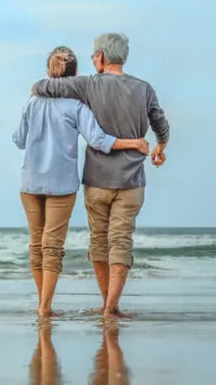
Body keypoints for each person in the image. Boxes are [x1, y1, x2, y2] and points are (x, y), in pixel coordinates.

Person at [31, 33, 170, 320]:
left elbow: (43, 86)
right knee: (121, 241)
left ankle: (106, 302)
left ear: (102, 57)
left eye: (95, 55)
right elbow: (160, 122)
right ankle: (111, 308)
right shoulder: (144, 88)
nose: (94, 59)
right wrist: (160, 147)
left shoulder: (88, 85)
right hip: (132, 181)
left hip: (96, 180)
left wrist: (39, 90)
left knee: (99, 241)